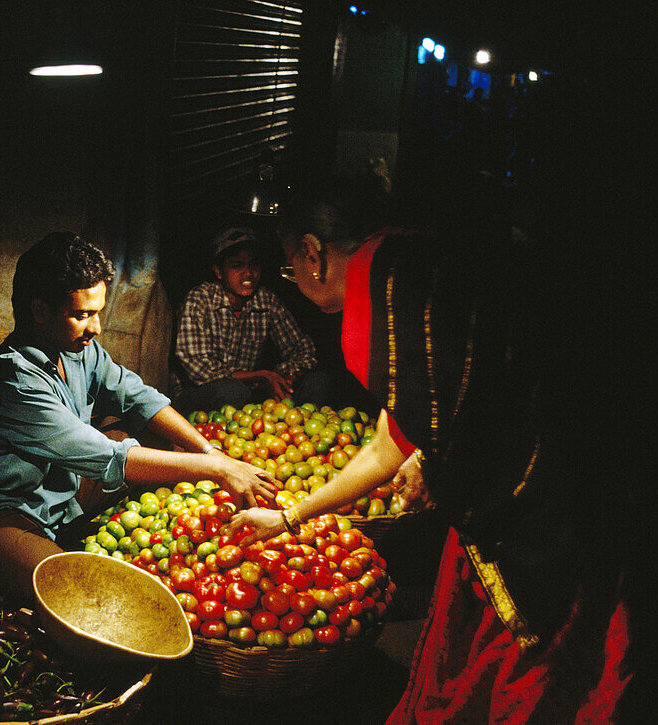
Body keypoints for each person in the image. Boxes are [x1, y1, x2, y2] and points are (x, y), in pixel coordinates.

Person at [223, 178, 634, 722]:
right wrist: (293, 514)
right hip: (603, 442)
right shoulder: (411, 251)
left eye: (288, 268)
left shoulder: (378, 296)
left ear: (312, 253)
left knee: (537, 669)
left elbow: (410, 434)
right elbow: (410, 421)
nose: (293, 281)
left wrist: (428, 458)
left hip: (539, 498)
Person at [0, 232, 279, 606]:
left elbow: (139, 398)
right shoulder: (12, 378)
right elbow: (105, 456)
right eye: (81, 315)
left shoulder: (77, 350)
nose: (96, 327)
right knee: (74, 592)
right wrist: (217, 470)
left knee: (159, 439)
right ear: (39, 311)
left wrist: (210, 452)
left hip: (59, 495)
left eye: (97, 312)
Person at [171, 226, 331, 415]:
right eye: (237, 265)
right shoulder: (200, 299)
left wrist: (287, 377)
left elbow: (303, 350)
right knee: (232, 391)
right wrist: (263, 375)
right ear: (219, 271)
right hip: (199, 394)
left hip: (247, 394)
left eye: (253, 265)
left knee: (317, 381)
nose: (248, 273)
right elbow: (198, 368)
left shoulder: (266, 300)